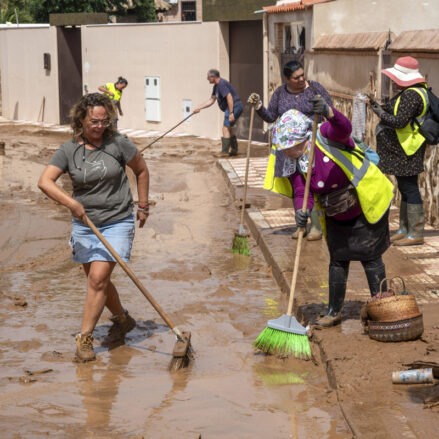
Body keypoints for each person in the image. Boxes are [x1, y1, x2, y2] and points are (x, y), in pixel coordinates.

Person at [38, 93, 150, 361]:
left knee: (97, 279)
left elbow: (142, 170)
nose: (100, 126)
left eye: (104, 121)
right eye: (94, 122)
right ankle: (122, 320)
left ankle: (85, 340)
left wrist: (143, 206)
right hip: (85, 224)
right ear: (81, 119)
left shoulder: (119, 144)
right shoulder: (68, 150)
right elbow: (45, 181)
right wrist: (71, 204)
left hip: (118, 220)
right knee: (97, 281)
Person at [264, 97, 394, 327]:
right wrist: (301, 213)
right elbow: (300, 191)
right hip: (335, 211)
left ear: (301, 138)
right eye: (283, 149)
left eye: (290, 146)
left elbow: (344, 128)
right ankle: (334, 311)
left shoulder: (323, 133)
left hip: (363, 201)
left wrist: (330, 112)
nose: (287, 152)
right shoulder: (294, 162)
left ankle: (381, 307)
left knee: (371, 256)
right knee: (338, 260)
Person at [248, 60, 333, 241]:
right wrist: (258, 107)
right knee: (298, 187)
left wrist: (324, 109)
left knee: (313, 184)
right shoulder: (280, 93)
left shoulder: (314, 89)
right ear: (286, 79)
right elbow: (271, 116)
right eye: (296, 77)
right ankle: (301, 226)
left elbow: (330, 110)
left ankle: (317, 227)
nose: (302, 79)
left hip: (310, 146)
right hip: (288, 150)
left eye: (303, 75)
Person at [369, 56, 428, 246]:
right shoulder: (410, 92)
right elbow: (397, 109)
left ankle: (416, 233)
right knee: (404, 187)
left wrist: (380, 113)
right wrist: (379, 106)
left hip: (408, 148)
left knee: (410, 188)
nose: (393, 81)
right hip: (404, 149)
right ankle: (405, 229)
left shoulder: (412, 95)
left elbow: (399, 121)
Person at [194, 69, 243, 157]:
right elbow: (211, 100)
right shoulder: (216, 87)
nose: (207, 79)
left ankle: (225, 152)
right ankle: (234, 150)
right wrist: (199, 108)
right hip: (233, 107)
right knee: (228, 128)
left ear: (213, 77)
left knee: (225, 128)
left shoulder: (221, 84)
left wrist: (231, 112)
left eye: (208, 77)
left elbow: (229, 97)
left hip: (234, 106)